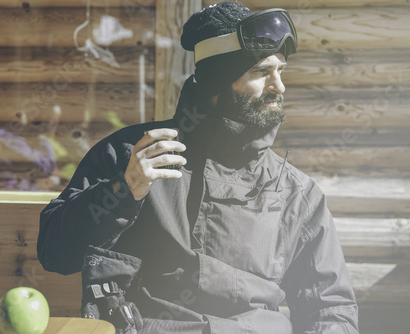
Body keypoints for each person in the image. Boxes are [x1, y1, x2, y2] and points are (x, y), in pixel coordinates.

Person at [38, 2, 359, 333]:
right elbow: (55, 254)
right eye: (261, 72)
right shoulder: (133, 156)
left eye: (281, 70)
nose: (279, 86)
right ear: (216, 84)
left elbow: (330, 306)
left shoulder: (295, 191)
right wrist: (123, 189)